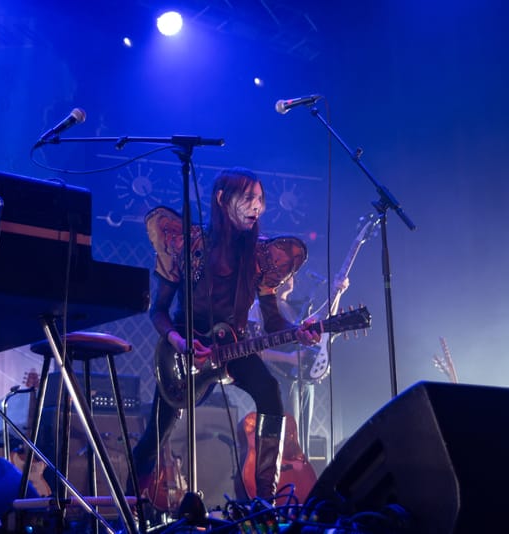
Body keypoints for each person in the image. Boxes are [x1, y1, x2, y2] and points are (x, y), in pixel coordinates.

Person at [131, 167, 321, 504]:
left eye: (261, 200)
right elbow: (157, 311)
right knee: (156, 434)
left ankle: (263, 502)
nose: (257, 206)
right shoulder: (189, 247)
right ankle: (130, 502)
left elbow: (274, 323)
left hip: (234, 346)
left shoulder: (261, 257)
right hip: (185, 352)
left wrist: (299, 333)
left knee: (269, 391)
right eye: (249, 198)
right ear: (222, 199)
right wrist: (180, 342)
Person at [250, 273, 349, 459]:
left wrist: (337, 292)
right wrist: (290, 359)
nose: (292, 278)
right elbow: (254, 350)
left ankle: (303, 480)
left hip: (302, 379)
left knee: (302, 441)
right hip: (279, 379)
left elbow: (321, 321)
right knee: (288, 439)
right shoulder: (259, 308)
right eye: (287, 274)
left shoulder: (292, 309)